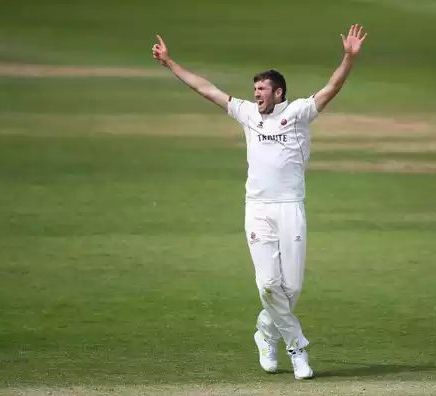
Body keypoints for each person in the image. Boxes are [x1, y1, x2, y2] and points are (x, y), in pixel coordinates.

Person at [152, 24, 367, 380]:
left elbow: (333, 87)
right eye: (254, 89)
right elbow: (207, 89)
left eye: (262, 89)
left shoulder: (298, 113)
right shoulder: (248, 115)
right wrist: (171, 64)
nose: (256, 95)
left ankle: (266, 332)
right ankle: (297, 347)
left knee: (291, 288)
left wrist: (348, 57)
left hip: (290, 206)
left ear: (278, 92)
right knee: (268, 284)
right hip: (258, 208)